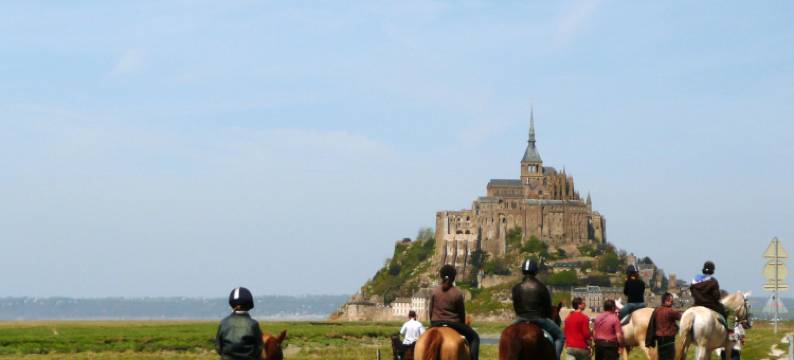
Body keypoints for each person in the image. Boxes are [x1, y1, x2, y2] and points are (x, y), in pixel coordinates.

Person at [511, 259, 565, 360]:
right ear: (535, 271)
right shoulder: (541, 287)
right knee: (560, 337)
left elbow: (516, 306)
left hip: (520, 318)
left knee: (507, 335)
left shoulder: (516, 288)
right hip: (538, 318)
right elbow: (547, 307)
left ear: (523, 270)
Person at [429, 264, 480, 360]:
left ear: (441, 276)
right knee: (475, 338)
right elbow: (461, 314)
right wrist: (462, 324)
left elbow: (430, 310)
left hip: (436, 323)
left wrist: (432, 322)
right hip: (454, 324)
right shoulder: (457, 293)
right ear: (453, 277)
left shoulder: (434, 291)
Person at [215, 287, 264, 360]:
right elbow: (259, 348)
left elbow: (218, 347)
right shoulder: (253, 324)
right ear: (249, 305)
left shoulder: (224, 322)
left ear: (231, 304)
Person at [690, 261, 734, 331]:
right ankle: (729, 331)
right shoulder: (713, 281)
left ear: (703, 269)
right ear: (712, 271)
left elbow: (692, 292)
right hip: (711, 305)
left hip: (696, 304)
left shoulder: (694, 280)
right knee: (728, 311)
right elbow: (716, 296)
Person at [646, 292, 681, 360]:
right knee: (670, 357)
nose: (672, 302)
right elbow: (681, 317)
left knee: (661, 357)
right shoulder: (671, 311)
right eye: (671, 300)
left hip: (659, 339)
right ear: (666, 301)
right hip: (669, 338)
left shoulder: (656, 310)